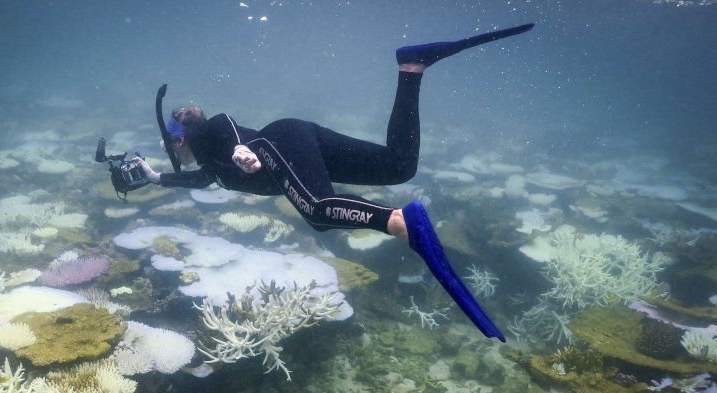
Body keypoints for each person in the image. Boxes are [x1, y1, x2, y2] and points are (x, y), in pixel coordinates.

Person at [133, 24, 535, 341]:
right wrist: (156, 178)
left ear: (179, 138)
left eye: (171, 147)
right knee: (397, 168)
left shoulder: (216, 135)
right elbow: (202, 179)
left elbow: (231, 129)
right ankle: (411, 68)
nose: (174, 153)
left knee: (318, 211)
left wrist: (245, 151)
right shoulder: (210, 165)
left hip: (278, 142)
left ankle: (399, 221)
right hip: (296, 137)